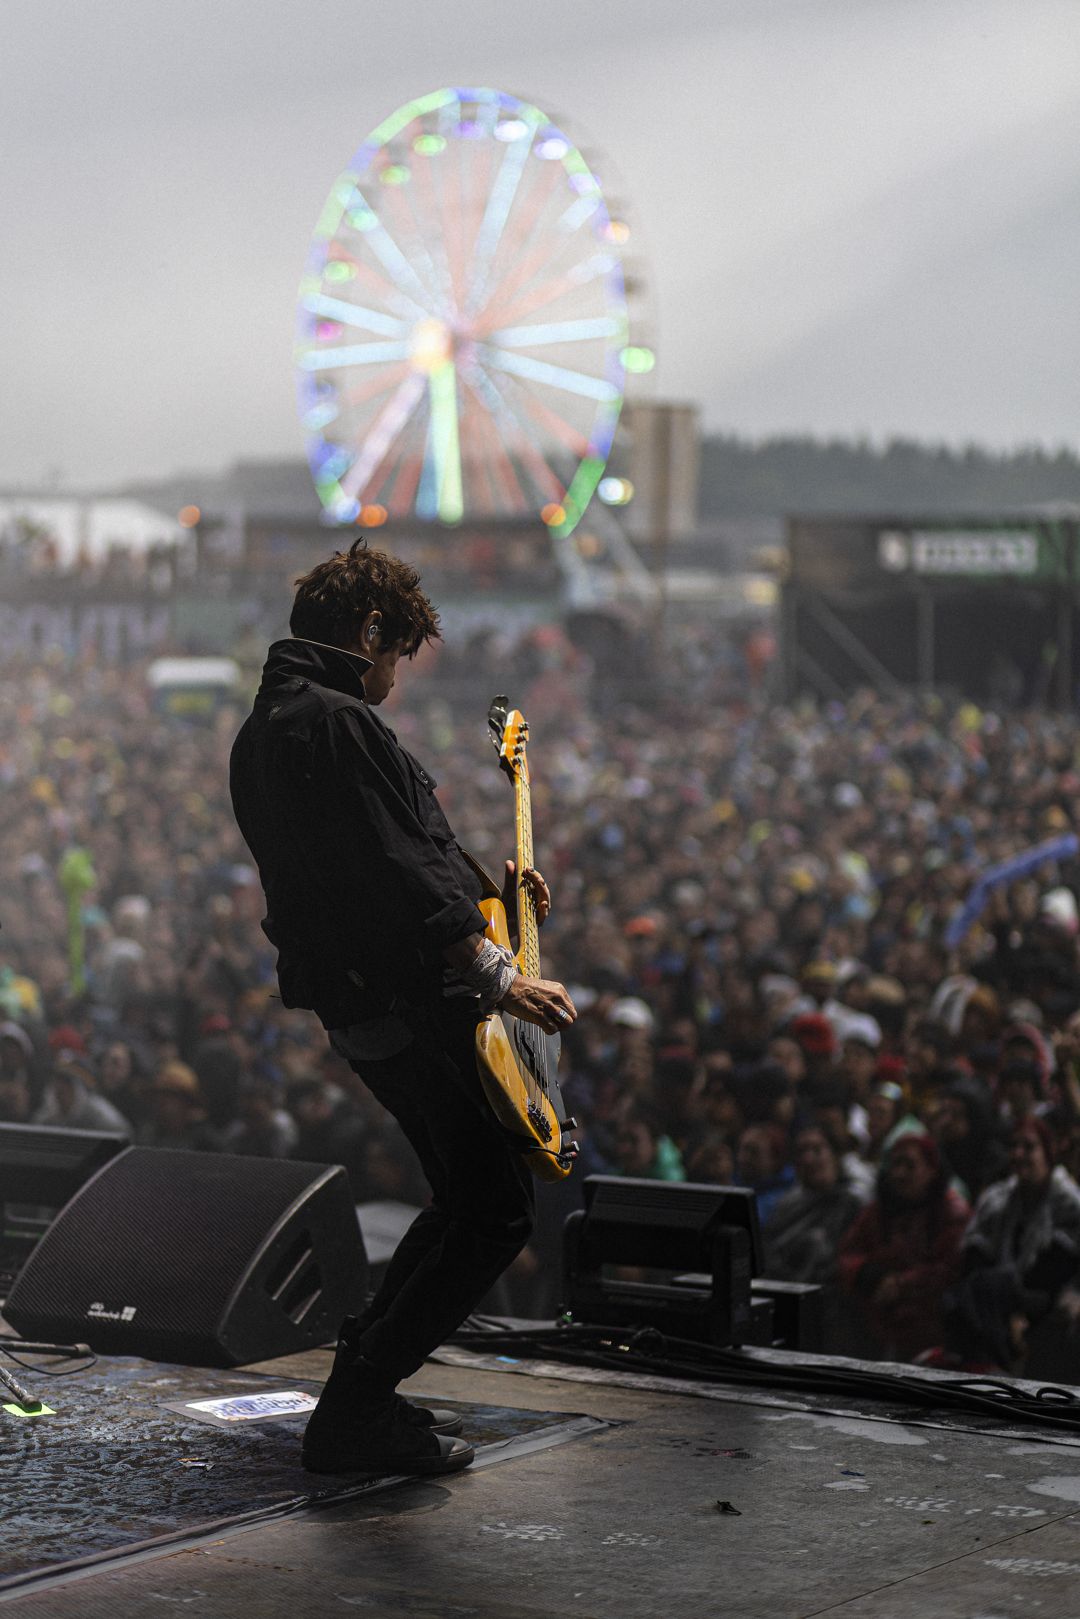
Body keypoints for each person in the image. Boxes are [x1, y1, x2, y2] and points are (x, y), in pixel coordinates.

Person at [229, 540, 576, 1478]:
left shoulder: (267, 726)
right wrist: (498, 972)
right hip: (408, 1000)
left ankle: (363, 1383)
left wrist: (488, 899)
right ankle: (355, 1406)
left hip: (359, 1006)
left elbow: (371, 865)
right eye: (396, 654)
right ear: (369, 630)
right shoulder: (339, 722)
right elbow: (391, 870)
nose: (395, 677)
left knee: (469, 1196)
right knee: (498, 1210)